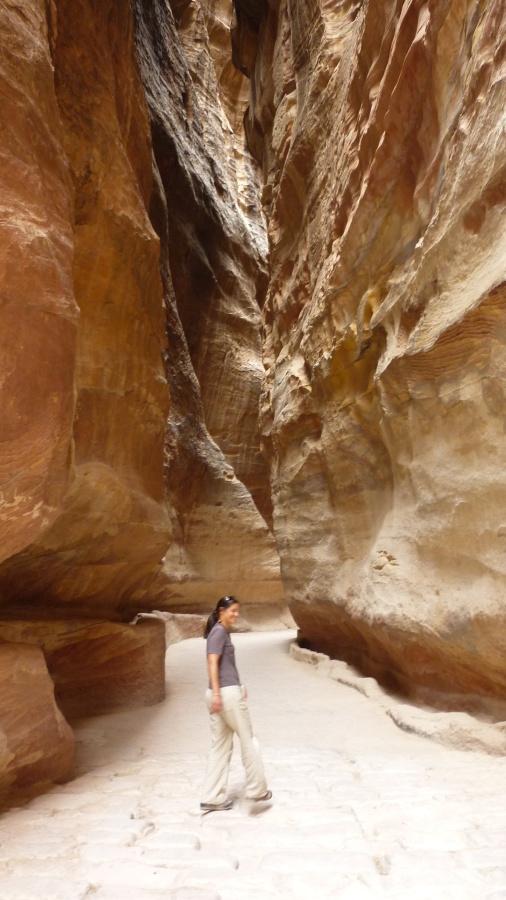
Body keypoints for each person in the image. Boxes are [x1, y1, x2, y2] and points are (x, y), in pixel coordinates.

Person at [200, 596, 272, 811]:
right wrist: (217, 694)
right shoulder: (219, 632)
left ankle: (212, 797)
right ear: (221, 611)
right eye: (232, 610)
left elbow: (225, 665)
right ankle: (257, 790)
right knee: (248, 739)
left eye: (237, 611)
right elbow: (212, 662)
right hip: (225, 694)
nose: (236, 614)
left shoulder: (220, 632)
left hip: (224, 692)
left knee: (220, 746)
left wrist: (238, 685)